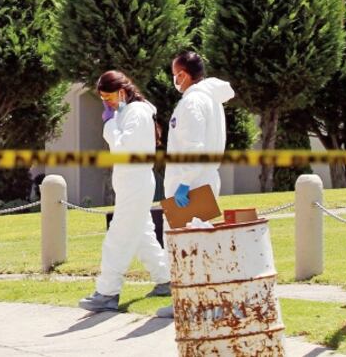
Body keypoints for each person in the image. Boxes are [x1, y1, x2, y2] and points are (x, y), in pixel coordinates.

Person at [78, 70, 172, 313]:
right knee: (142, 235)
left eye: (108, 97)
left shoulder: (137, 113)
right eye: (102, 99)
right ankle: (165, 279)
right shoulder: (128, 112)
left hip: (135, 181)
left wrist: (109, 124)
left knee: (118, 237)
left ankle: (108, 292)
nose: (106, 103)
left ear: (122, 91)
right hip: (132, 182)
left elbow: (124, 151)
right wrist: (113, 121)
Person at [155, 51, 234, 318]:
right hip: (202, 179)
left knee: (185, 247)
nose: (174, 79)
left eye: (175, 73)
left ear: (184, 74)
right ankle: (199, 301)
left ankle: (190, 302)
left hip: (191, 183)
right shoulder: (209, 100)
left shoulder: (192, 103)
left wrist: (184, 184)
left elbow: (193, 148)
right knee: (199, 244)